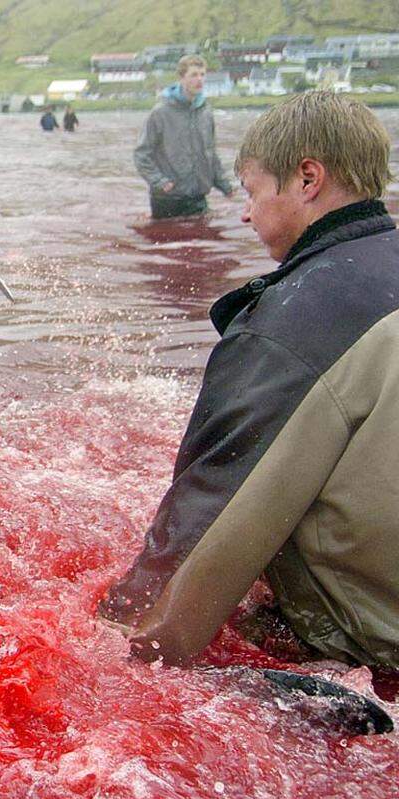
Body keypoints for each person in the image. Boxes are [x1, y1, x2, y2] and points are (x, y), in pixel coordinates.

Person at [99, 92, 399, 672]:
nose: (245, 214)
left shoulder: (290, 322)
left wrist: (117, 640)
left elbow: (209, 506)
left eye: (252, 191)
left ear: (308, 178)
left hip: (371, 648)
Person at [134, 55, 234, 219]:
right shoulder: (160, 113)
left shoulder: (206, 112)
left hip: (198, 197)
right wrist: (160, 182)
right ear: (181, 77)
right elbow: (141, 154)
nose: (199, 79)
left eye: (202, 74)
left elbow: (210, 153)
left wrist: (224, 185)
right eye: (194, 75)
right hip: (167, 198)